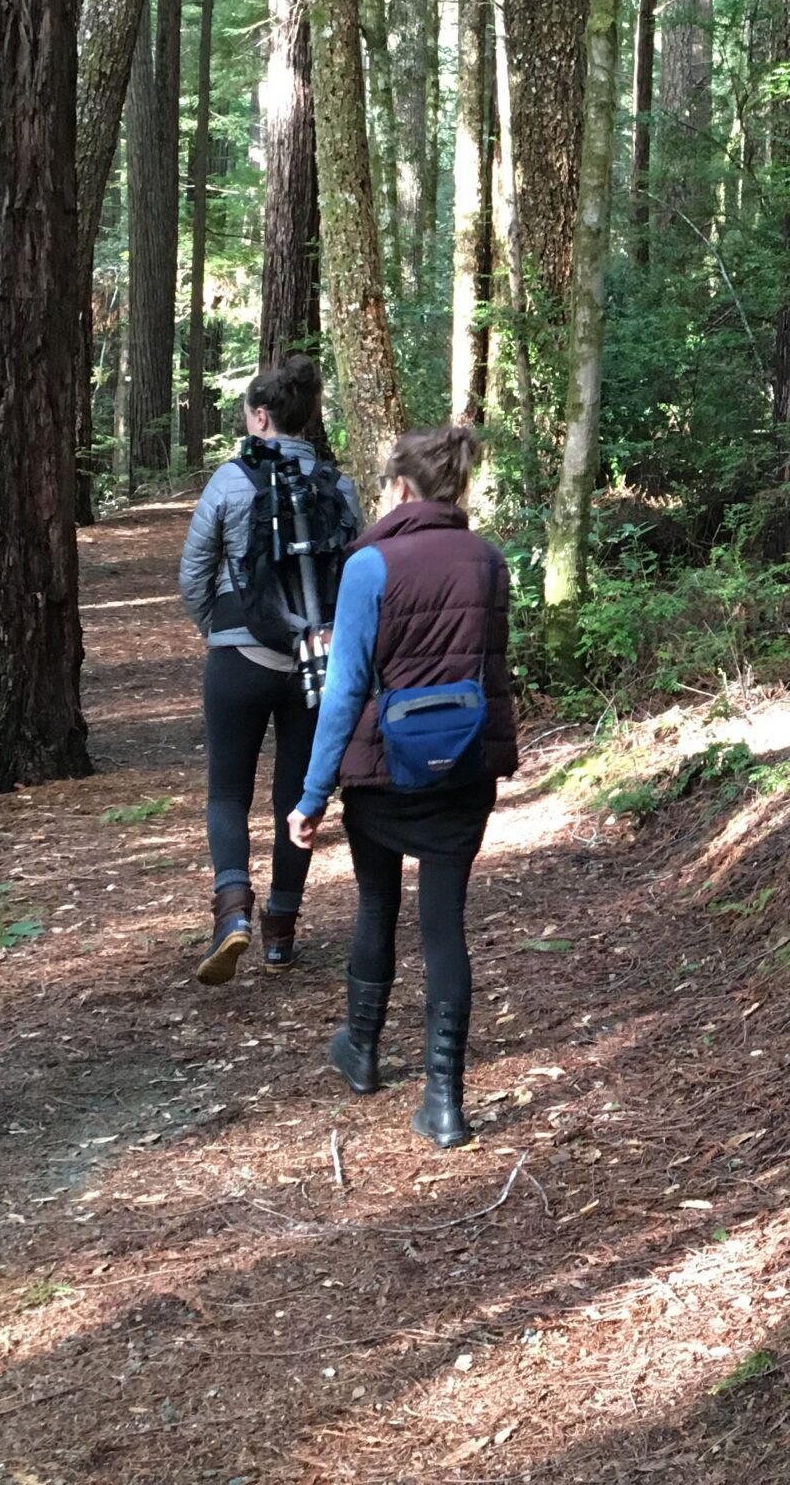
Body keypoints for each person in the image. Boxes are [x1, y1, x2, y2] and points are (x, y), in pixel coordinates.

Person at [287, 425, 517, 1148]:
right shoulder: (488, 560)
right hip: (465, 768)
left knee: (377, 901)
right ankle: (444, 1102)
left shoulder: (370, 565)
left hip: (384, 772)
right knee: (445, 926)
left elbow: (347, 687)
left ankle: (362, 1053)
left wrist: (312, 794)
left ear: (400, 487)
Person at [177, 354, 362, 983]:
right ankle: (281, 930)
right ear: (308, 418)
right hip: (316, 664)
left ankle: (232, 913)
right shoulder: (338, 484)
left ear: (260, 417)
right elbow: (356, 572)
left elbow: (194, 573)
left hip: (238, 658)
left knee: (227, 791)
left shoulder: (231, 481)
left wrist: (220, 629)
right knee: (296, 795)